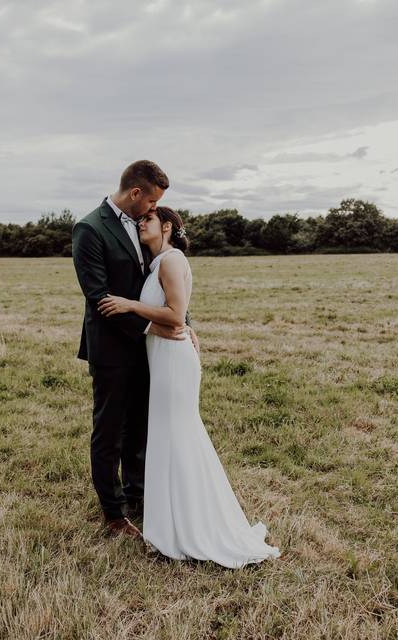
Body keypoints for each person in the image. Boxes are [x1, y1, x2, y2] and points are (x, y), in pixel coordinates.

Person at [98, 207, 280, 568]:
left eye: (147, 221)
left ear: (166, 227)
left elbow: (176, 316)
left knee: (179, 435)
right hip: (163, 358)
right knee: (168, 436)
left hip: (174, 360)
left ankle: (195, 526)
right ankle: (173, 524)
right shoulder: (158, 263)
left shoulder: (170, 261)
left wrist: (129, 305)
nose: (140, 225)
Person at [71, 160, 197, 538]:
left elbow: (164, 283)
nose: (153, 210)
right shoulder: (90, 228)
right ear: (136, 193)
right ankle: (113, 513)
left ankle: (139, 495)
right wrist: (153, 325)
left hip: (149, 349)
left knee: (139, 427)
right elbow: (100, 298)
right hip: (111, 349)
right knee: (108, 431)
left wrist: (184, 324)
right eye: (152, 201)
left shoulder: (148, 231)